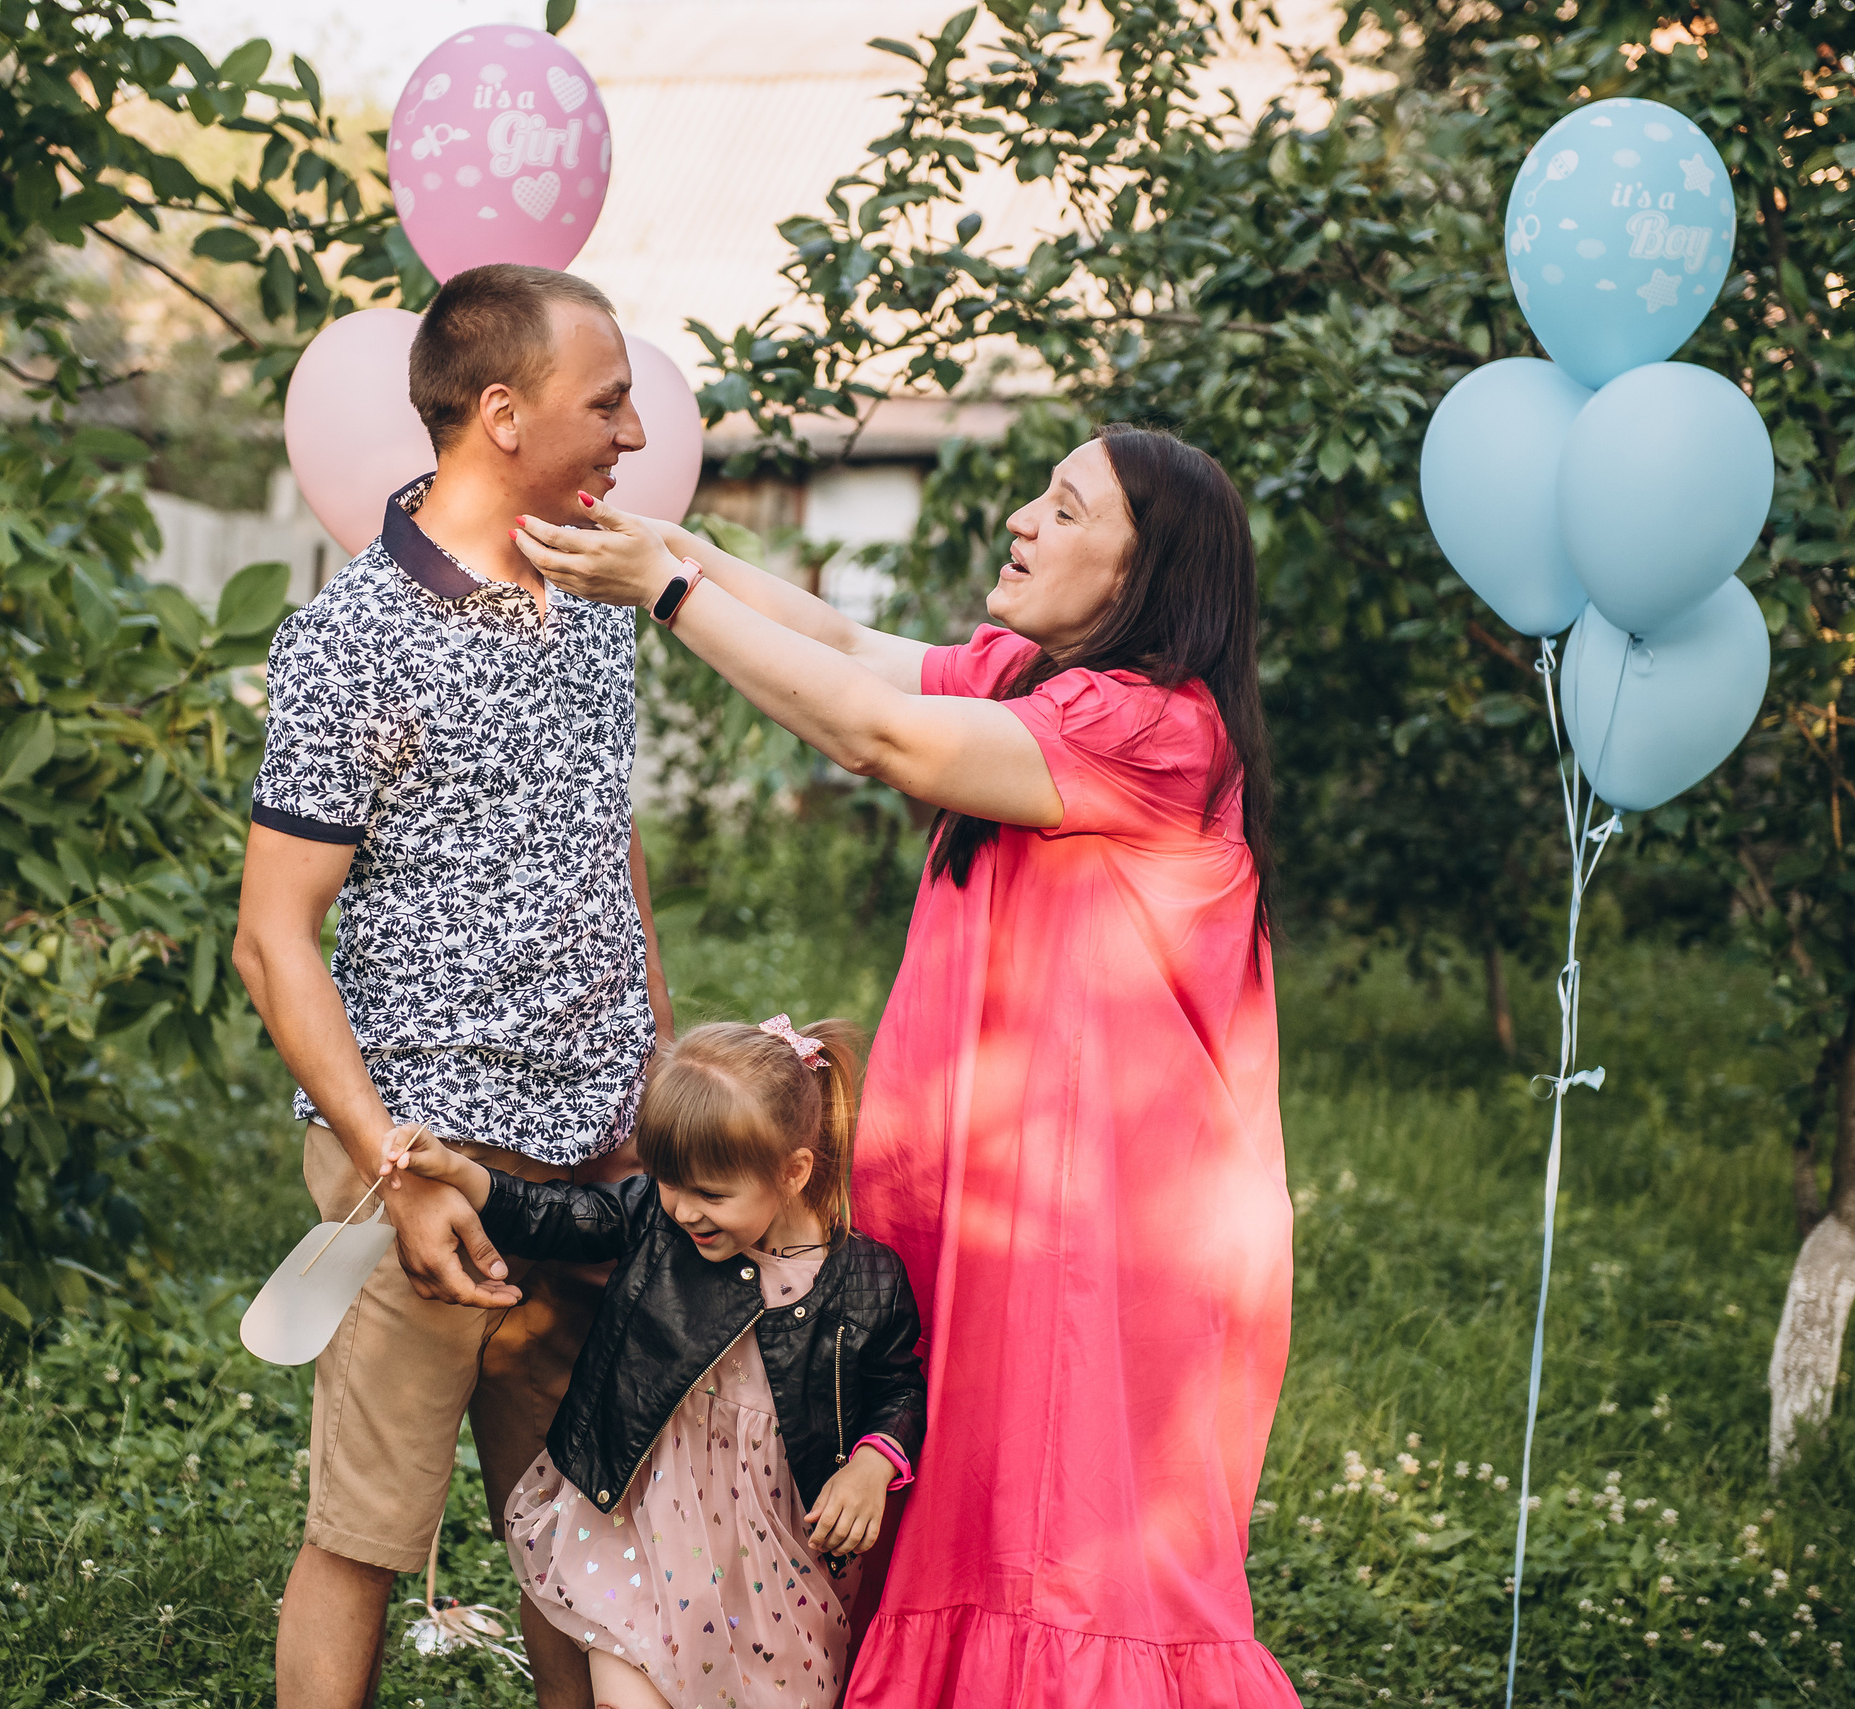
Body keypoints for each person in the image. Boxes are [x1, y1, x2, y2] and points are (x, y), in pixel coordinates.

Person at [508, 424, 1300, 1706]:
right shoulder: (1034, 682)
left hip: (1097, 1234)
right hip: (1000, 1200)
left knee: (1054, 1541)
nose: (1020, 522)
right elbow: (849, 650)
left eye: (1064, 508)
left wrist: (667, 591)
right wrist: (681, 552)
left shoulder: (1151, 730)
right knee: (955, 1503)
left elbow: (884, 735)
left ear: (1141, 577)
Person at [231, 263, 676, 1709]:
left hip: (599, 1159)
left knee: (585, 1531)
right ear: (501, 412)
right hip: (426, 1163)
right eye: (605, 402)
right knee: (362, 1536)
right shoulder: (353, 638)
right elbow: (272, 939)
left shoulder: (599, 593)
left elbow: (611, 843)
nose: (631, 431)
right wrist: (393, 1165)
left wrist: (654, 1079)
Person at [377, 1017, 927, 1709]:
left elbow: (897, 1385)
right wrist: (459, 1170)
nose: (683, 1209)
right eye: (668, 1182)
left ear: (793, 1172)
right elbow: (557, 1214)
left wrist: (873, 1464)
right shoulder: (655, 1220)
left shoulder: (866, 1279)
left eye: (711, 1194)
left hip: (774, 1557)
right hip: (640, 1511)